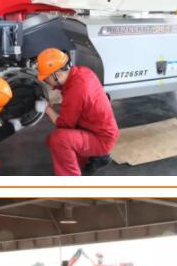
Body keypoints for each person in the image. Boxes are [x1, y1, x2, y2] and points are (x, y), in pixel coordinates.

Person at [34, 48, 119, 176]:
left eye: (46, 79)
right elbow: (69, 92)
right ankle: (96, 158)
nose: (46, 82)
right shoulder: (82, 72)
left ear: (57, 74)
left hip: (101, 139)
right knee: (52, 142)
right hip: (96, 129)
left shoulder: (77, 90)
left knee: (58, 140)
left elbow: (64, 124)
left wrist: (47, 108)